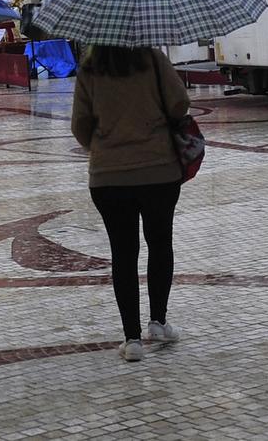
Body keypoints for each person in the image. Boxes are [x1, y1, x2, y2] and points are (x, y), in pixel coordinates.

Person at [70, 44, 189, 361]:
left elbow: (80, 126)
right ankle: (159, 322)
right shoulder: (152, 59)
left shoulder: (90, 69)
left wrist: (103, 141)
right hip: (159, 170)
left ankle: (132, 339)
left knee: (123, 254)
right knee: (160, 243)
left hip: (109, 177)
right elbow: (180, 103)